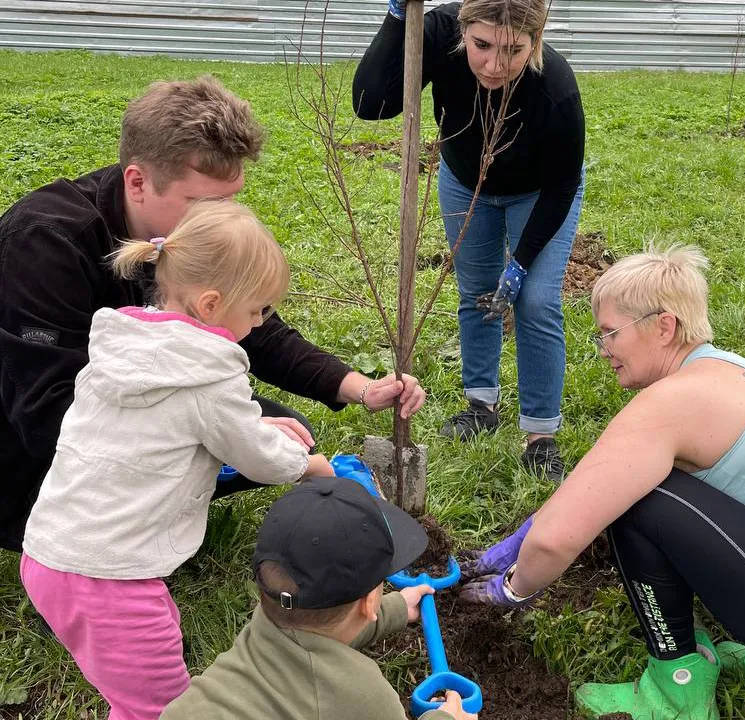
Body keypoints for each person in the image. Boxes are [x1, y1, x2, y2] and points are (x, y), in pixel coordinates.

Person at [458, 245, 745, 719]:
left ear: (664, 327)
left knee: (641, 502)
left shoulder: (672, 404)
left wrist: (510, 589)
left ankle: (675, 693)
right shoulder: (725, 374)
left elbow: (557, 539)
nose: (603, 350)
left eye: (610, 334)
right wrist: (529, 531)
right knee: (639, 488)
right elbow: (591, 488)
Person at [0, 75, 425, 553]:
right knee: (251, 437)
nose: (220, 217)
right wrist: (219, 437)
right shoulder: (47, 241)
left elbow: (254, 330)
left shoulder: (182, 228)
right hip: (30, 452)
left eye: (231, 199)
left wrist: (360, 388)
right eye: (205, 203)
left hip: (131, 407)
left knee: (281, 433)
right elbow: (44, 412)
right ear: (137, 182)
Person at [19, 200, 343, 719]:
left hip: (52, 552)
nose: (261, 323)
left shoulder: (130, 346)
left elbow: (171, 423)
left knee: (132, 687)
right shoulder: (209, 374)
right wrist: (306, 465)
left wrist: (252, 422)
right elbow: (257, 458)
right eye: (258, 310)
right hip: (109, 578)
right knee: (169, 710)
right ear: (212, 304)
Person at [353, 0, 585, 481]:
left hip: (539, 192)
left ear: (535, 40)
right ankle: (481, 405)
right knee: (476, 290)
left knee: (536, 301)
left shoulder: (556, 87)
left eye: (513, 50)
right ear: (463, 30)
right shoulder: (436, 31)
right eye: (481, 45)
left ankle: (540, 434)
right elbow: (370, 104)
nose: (494, 65)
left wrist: (520, 262)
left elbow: (563, 186)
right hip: (464, 182)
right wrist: (398, 16)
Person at [160, 475, 477, 720]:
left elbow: (316, 633)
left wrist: (396, 608)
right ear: (368, 604)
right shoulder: (363, 695)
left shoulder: (269, 624)